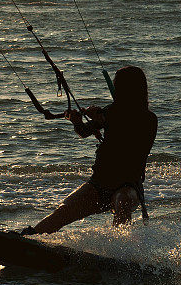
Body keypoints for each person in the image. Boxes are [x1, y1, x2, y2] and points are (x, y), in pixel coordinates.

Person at [21, 65, 157, 235]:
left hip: (128, 186)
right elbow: (84, 132)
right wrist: (77, 121)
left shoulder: (148, 119)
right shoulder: (110, 112)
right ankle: (30, 237)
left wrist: (106, 120)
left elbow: (131, 137)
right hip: (100, 183)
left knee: (122, 203)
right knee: (63, 211)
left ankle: (120, 250)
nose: (115, 88)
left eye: (118, 85)